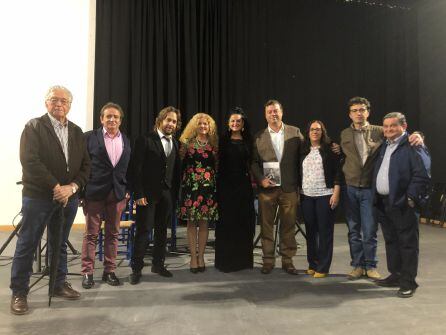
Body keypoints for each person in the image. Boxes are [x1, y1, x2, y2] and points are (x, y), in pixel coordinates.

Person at [10, 85, 91, 315]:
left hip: (69, 197)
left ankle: (57, 284)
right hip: (38, 197)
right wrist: (56, 187)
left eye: (64, 101)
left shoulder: (76, 131)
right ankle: (19, 292)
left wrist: (72, 187)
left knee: (59, 243)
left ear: (69, 105)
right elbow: (30, 161)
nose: (59, 104)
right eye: (54, 100)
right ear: (46, 103)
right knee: (27, 244)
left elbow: (86, 165)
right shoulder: (34, 127)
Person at [340, 97, 424, 280]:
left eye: (362, 110)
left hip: (370, 189)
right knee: (354, 230)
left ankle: (370, 266)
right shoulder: (344, 134)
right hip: (351, 188)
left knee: (370, 230)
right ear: (350, 114)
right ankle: (357, 266)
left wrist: (418, 135)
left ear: (368, 112)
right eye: (354, 110)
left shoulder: (381, 131)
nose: (358, 113)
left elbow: (403, 135)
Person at [373, 112, 431, 298]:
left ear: (403, 127)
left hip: (403, 204)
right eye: (386, 126)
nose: (389, 129)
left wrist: (410, 198)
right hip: (384, 203)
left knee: (407, 244)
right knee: (392, 242)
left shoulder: (413, 145)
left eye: (393, 126)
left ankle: (408, 282)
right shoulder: (385, 145)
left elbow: (422, 174)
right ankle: (396, 275)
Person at [128, 106, 182, 284]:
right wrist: (138, 193)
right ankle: (136, 268)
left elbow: (174, 172)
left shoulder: (175, 143)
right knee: (144, 231)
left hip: (167, 195)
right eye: (168, 120)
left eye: (174, 121)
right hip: (147, 195)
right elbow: (135, 169)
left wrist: (175, 195)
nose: (171, 124)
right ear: (160, 121)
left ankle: (158, 264)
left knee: (161, 232)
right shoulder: (144, 140)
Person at [80, 102, 131, 289]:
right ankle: (87, 272)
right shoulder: (89, 138)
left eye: (115, 117)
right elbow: (82, 166)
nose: (112, 119)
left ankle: (109, 270)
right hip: (94, 192)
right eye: (108, 116)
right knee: (91, 234)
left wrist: (127, 190)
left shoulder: (126, 140)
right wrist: (81, 192)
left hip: (117, 194)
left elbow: (126, 168)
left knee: (113, 234)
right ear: (101, 119)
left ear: (120, 120)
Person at [251, 99, 303, 275]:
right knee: (266, 226)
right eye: (269, 112)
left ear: (282, 112)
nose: (273, 114)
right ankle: (268, 260)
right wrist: (260, 179)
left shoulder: (295, 132)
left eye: (276, 111)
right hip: (267, 189)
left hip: (289, 187)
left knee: (288, 225)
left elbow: (304, 156)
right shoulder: (259, 136)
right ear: (265, 115)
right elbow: (253, 163)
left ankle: (287, 261)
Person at [299, 121, 342, 278]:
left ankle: (323, 267)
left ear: (323, 132)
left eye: (318, 129)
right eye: (312, 129)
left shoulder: (330, 149)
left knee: (325, 232)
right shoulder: (303, 150)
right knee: (311, 231)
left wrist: (336, 193)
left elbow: (338, 172)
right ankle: (313, 263)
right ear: (308, 132)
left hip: (326, 194)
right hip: (307, 196)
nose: (315, 132)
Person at [215, 107, 255, 272]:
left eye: (238, 121)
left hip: (243, 186)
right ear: (228, 123)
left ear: (243, 123)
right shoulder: (222, 140)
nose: (235, 123)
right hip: (225, 186)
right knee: (227, 223)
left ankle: (243, 261)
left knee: (243, 222)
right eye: (232, 120)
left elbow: (252, 162)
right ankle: (226, 262)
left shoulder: (249, 140)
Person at [178, 113, 218, 273]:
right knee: (191, 223)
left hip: (208, 189)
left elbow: (217, 166)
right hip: (191, 188)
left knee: (204, 224)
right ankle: (193, 258)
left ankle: (201, 257)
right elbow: (180, 164)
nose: (203, 126)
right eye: (200, 124)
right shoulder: (187, 143)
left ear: (210, 127)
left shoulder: (214, 144)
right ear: (195, 126)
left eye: (206, 124)